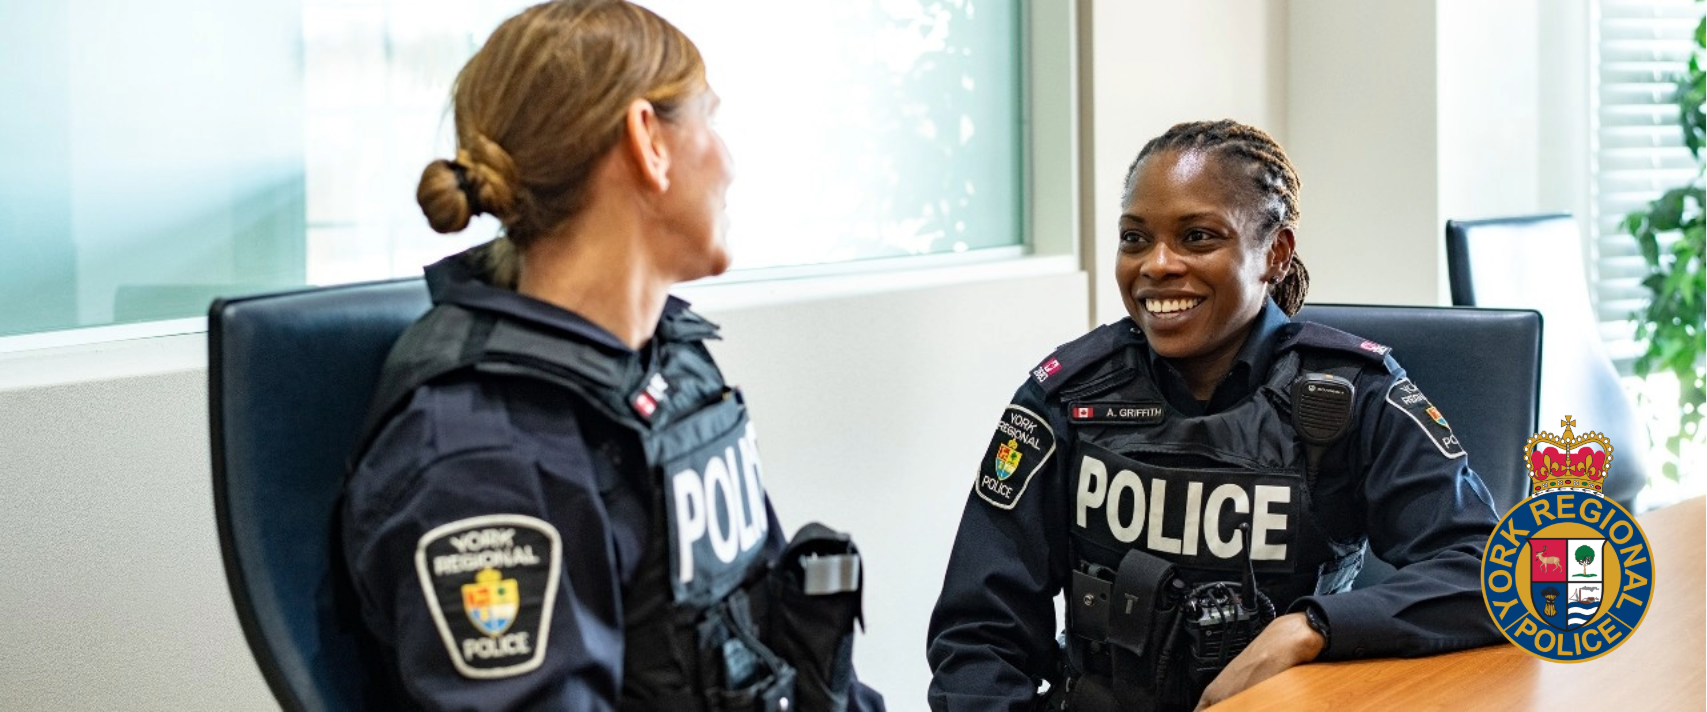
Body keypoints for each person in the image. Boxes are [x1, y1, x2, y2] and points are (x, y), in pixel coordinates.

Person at [339, 2, 885, 709]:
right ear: (647, 140)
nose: (730, 164)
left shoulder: (669, 365)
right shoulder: (485, 459)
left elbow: (773, 645)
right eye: (709, 120)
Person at [924, 119, 1503, 711]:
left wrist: (1310, 627)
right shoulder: (1066, 397)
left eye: (1198, 237)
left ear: (1275, 253)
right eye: (1134, 238)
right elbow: (979, 634)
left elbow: (1494, 572)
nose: (1157, 264)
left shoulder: (1351, 395)